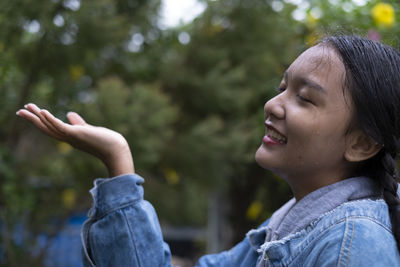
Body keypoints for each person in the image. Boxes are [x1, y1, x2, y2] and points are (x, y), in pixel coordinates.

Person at [16, 35, 400, 266]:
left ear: (361, 143)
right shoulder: (278, 233)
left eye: (304, 98)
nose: (273, 104)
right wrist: (118, 161)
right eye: (282, 87)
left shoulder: (355, 245)